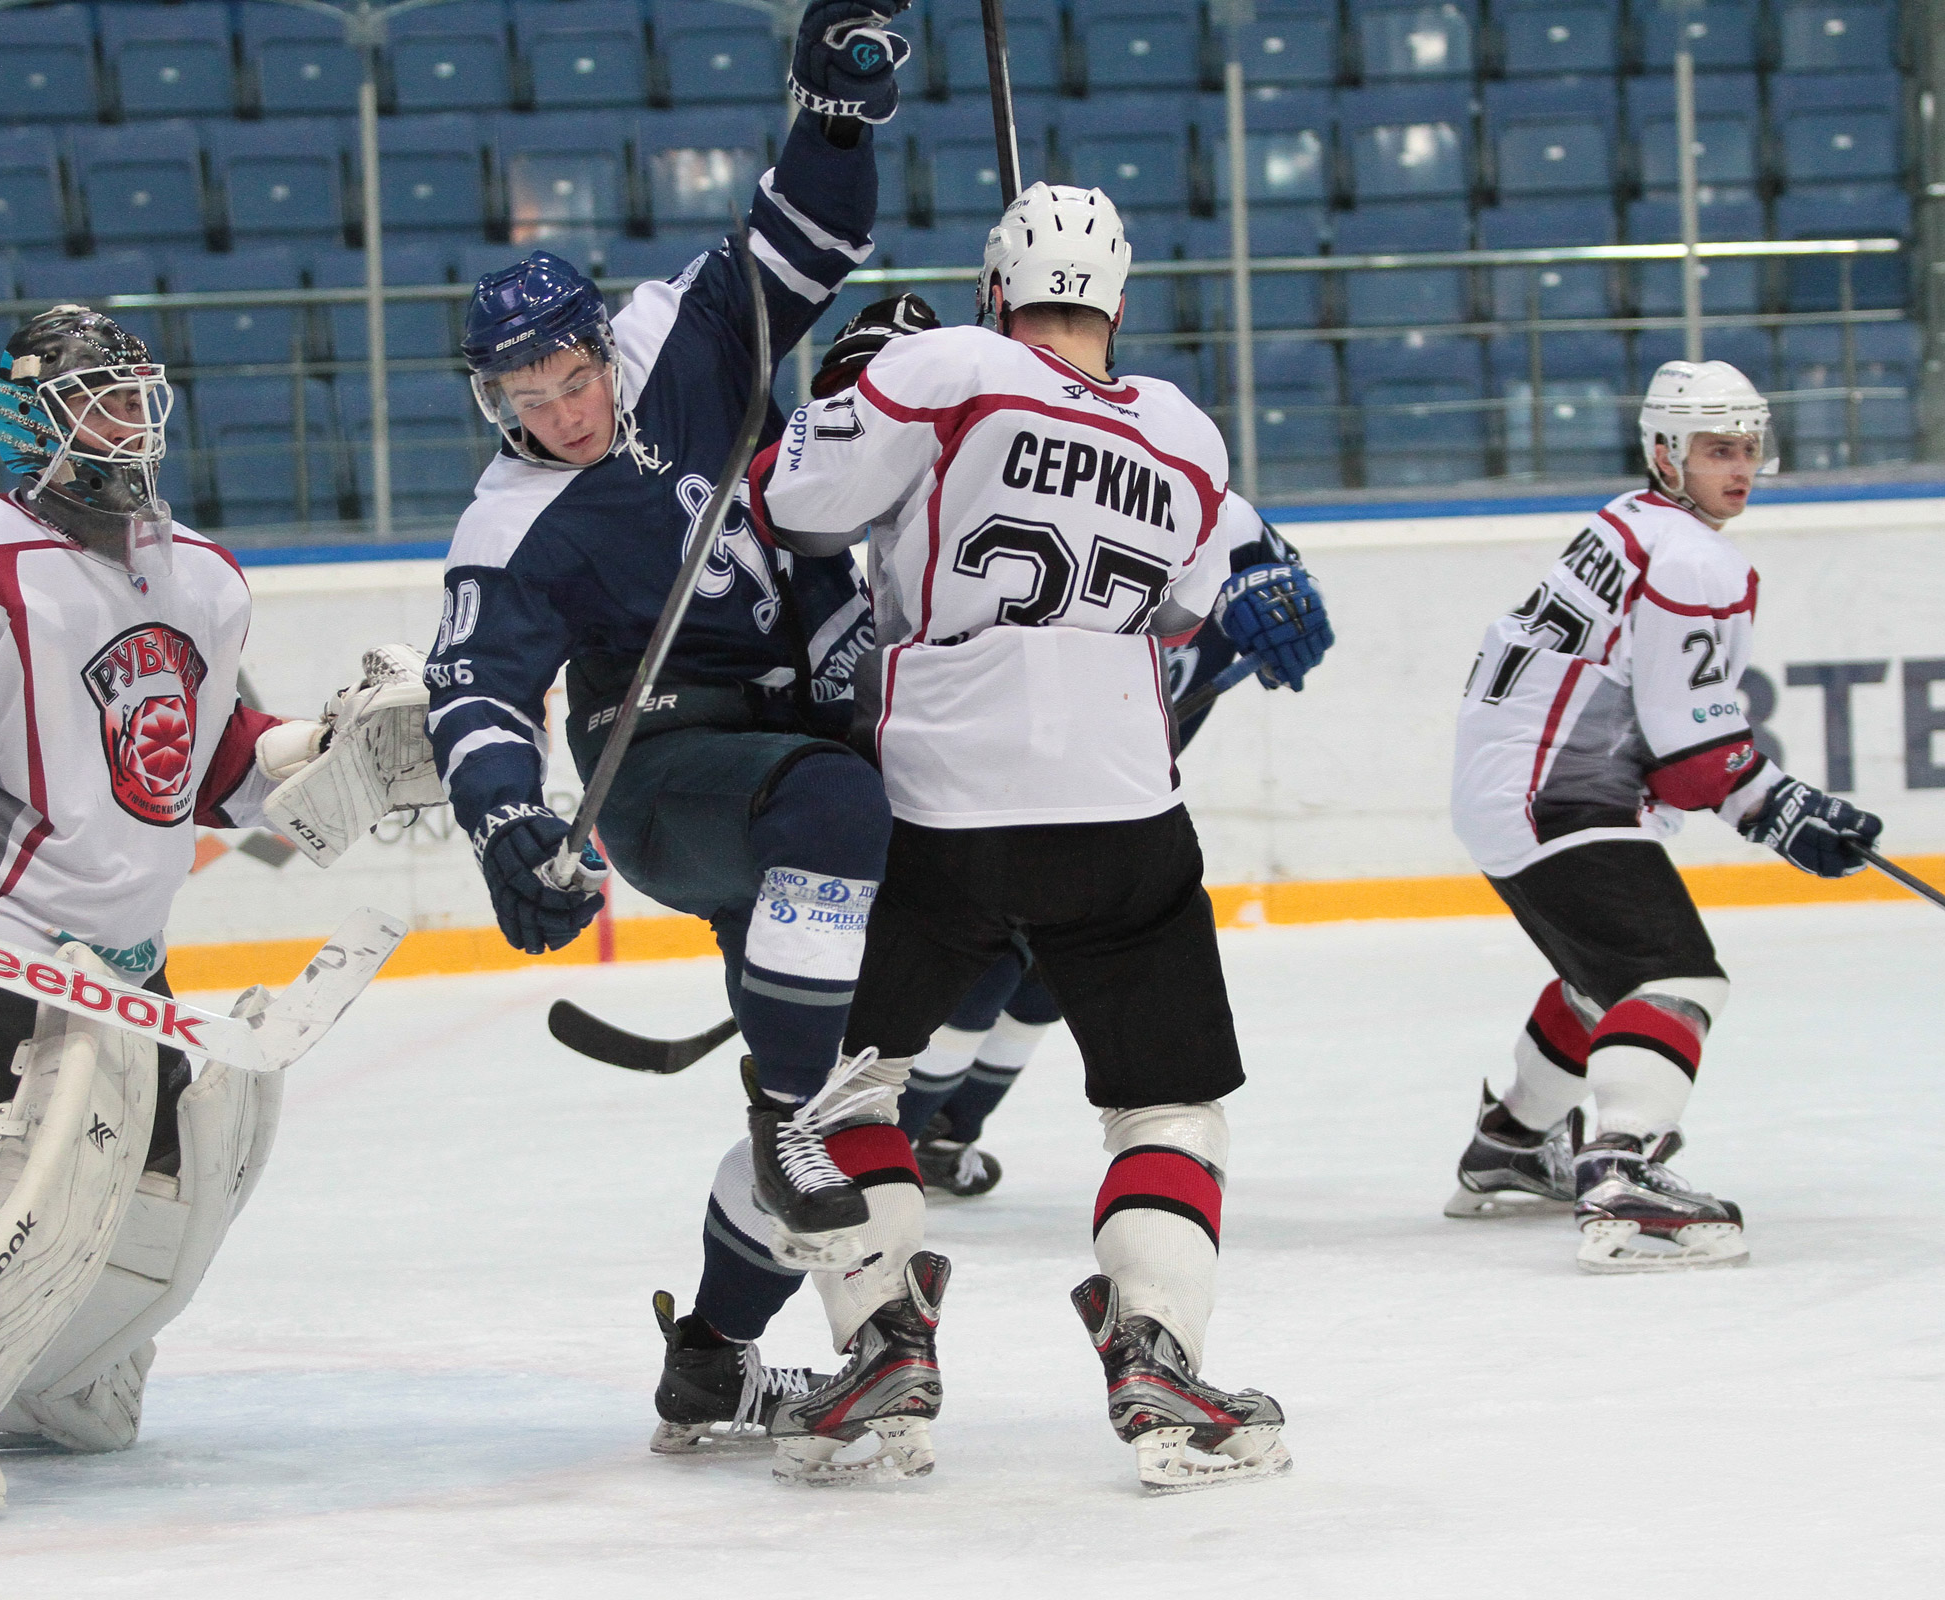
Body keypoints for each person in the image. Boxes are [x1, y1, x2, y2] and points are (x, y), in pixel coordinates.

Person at [0, 307, 427, 1520]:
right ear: (32, 420)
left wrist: (328, 751)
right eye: (97, 401)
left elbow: (209, 765)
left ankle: (42, 1380)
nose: (128, 423)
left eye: (135, 398)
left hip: (122, 966)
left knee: (160, 1195)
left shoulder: (201, 575)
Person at [420, 3, 922, 1477]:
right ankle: (784, 1112)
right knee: (834, 838)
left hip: (782, 746)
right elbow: (473, 690)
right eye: (526, 401)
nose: (564, 416)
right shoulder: (509, 522)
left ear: (598, 346)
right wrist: (509, 824)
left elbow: (806, 241)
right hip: (661, 775)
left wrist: (833, 115)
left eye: (571, 381)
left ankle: (711, 1355)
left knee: (873, 1048)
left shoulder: (671, 332)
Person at [751, 182, 1315, 1494]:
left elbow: (794, 502)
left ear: (996, 289)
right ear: (1118, 301)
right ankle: (1159, 1355)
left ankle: (882, 1345)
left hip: (941, 791)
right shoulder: (1184, 430)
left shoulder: (948, 366)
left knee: (853, 1089)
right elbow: (1200, 599)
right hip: (1123, 795)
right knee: (1165, 1099)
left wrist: (856, 395)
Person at [1443, 360, 1882, 1272]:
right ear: (1666, 454)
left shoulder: (1630, 522)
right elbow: (1690, 756)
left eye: (1749, 449)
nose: (1741, 468)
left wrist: (1770, 803)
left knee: (1604, 985)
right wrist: (1780, 808)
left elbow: (1675, 735)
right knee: (1675, 977)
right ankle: (1622, 1174)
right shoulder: (1694, 557)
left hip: (1510, 785)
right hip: (1558, 793)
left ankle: (1513, 1145)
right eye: (1718, 450)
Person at [892, 494, 1335, 1195]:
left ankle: (943, 1137)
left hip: (1117, 788)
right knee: (984, 970)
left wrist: (1283, 608)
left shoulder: (1222, 515)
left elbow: (1288, 597)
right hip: (994, 772)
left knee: (1047, 978)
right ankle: (886, 1145)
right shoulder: (1034, 492)